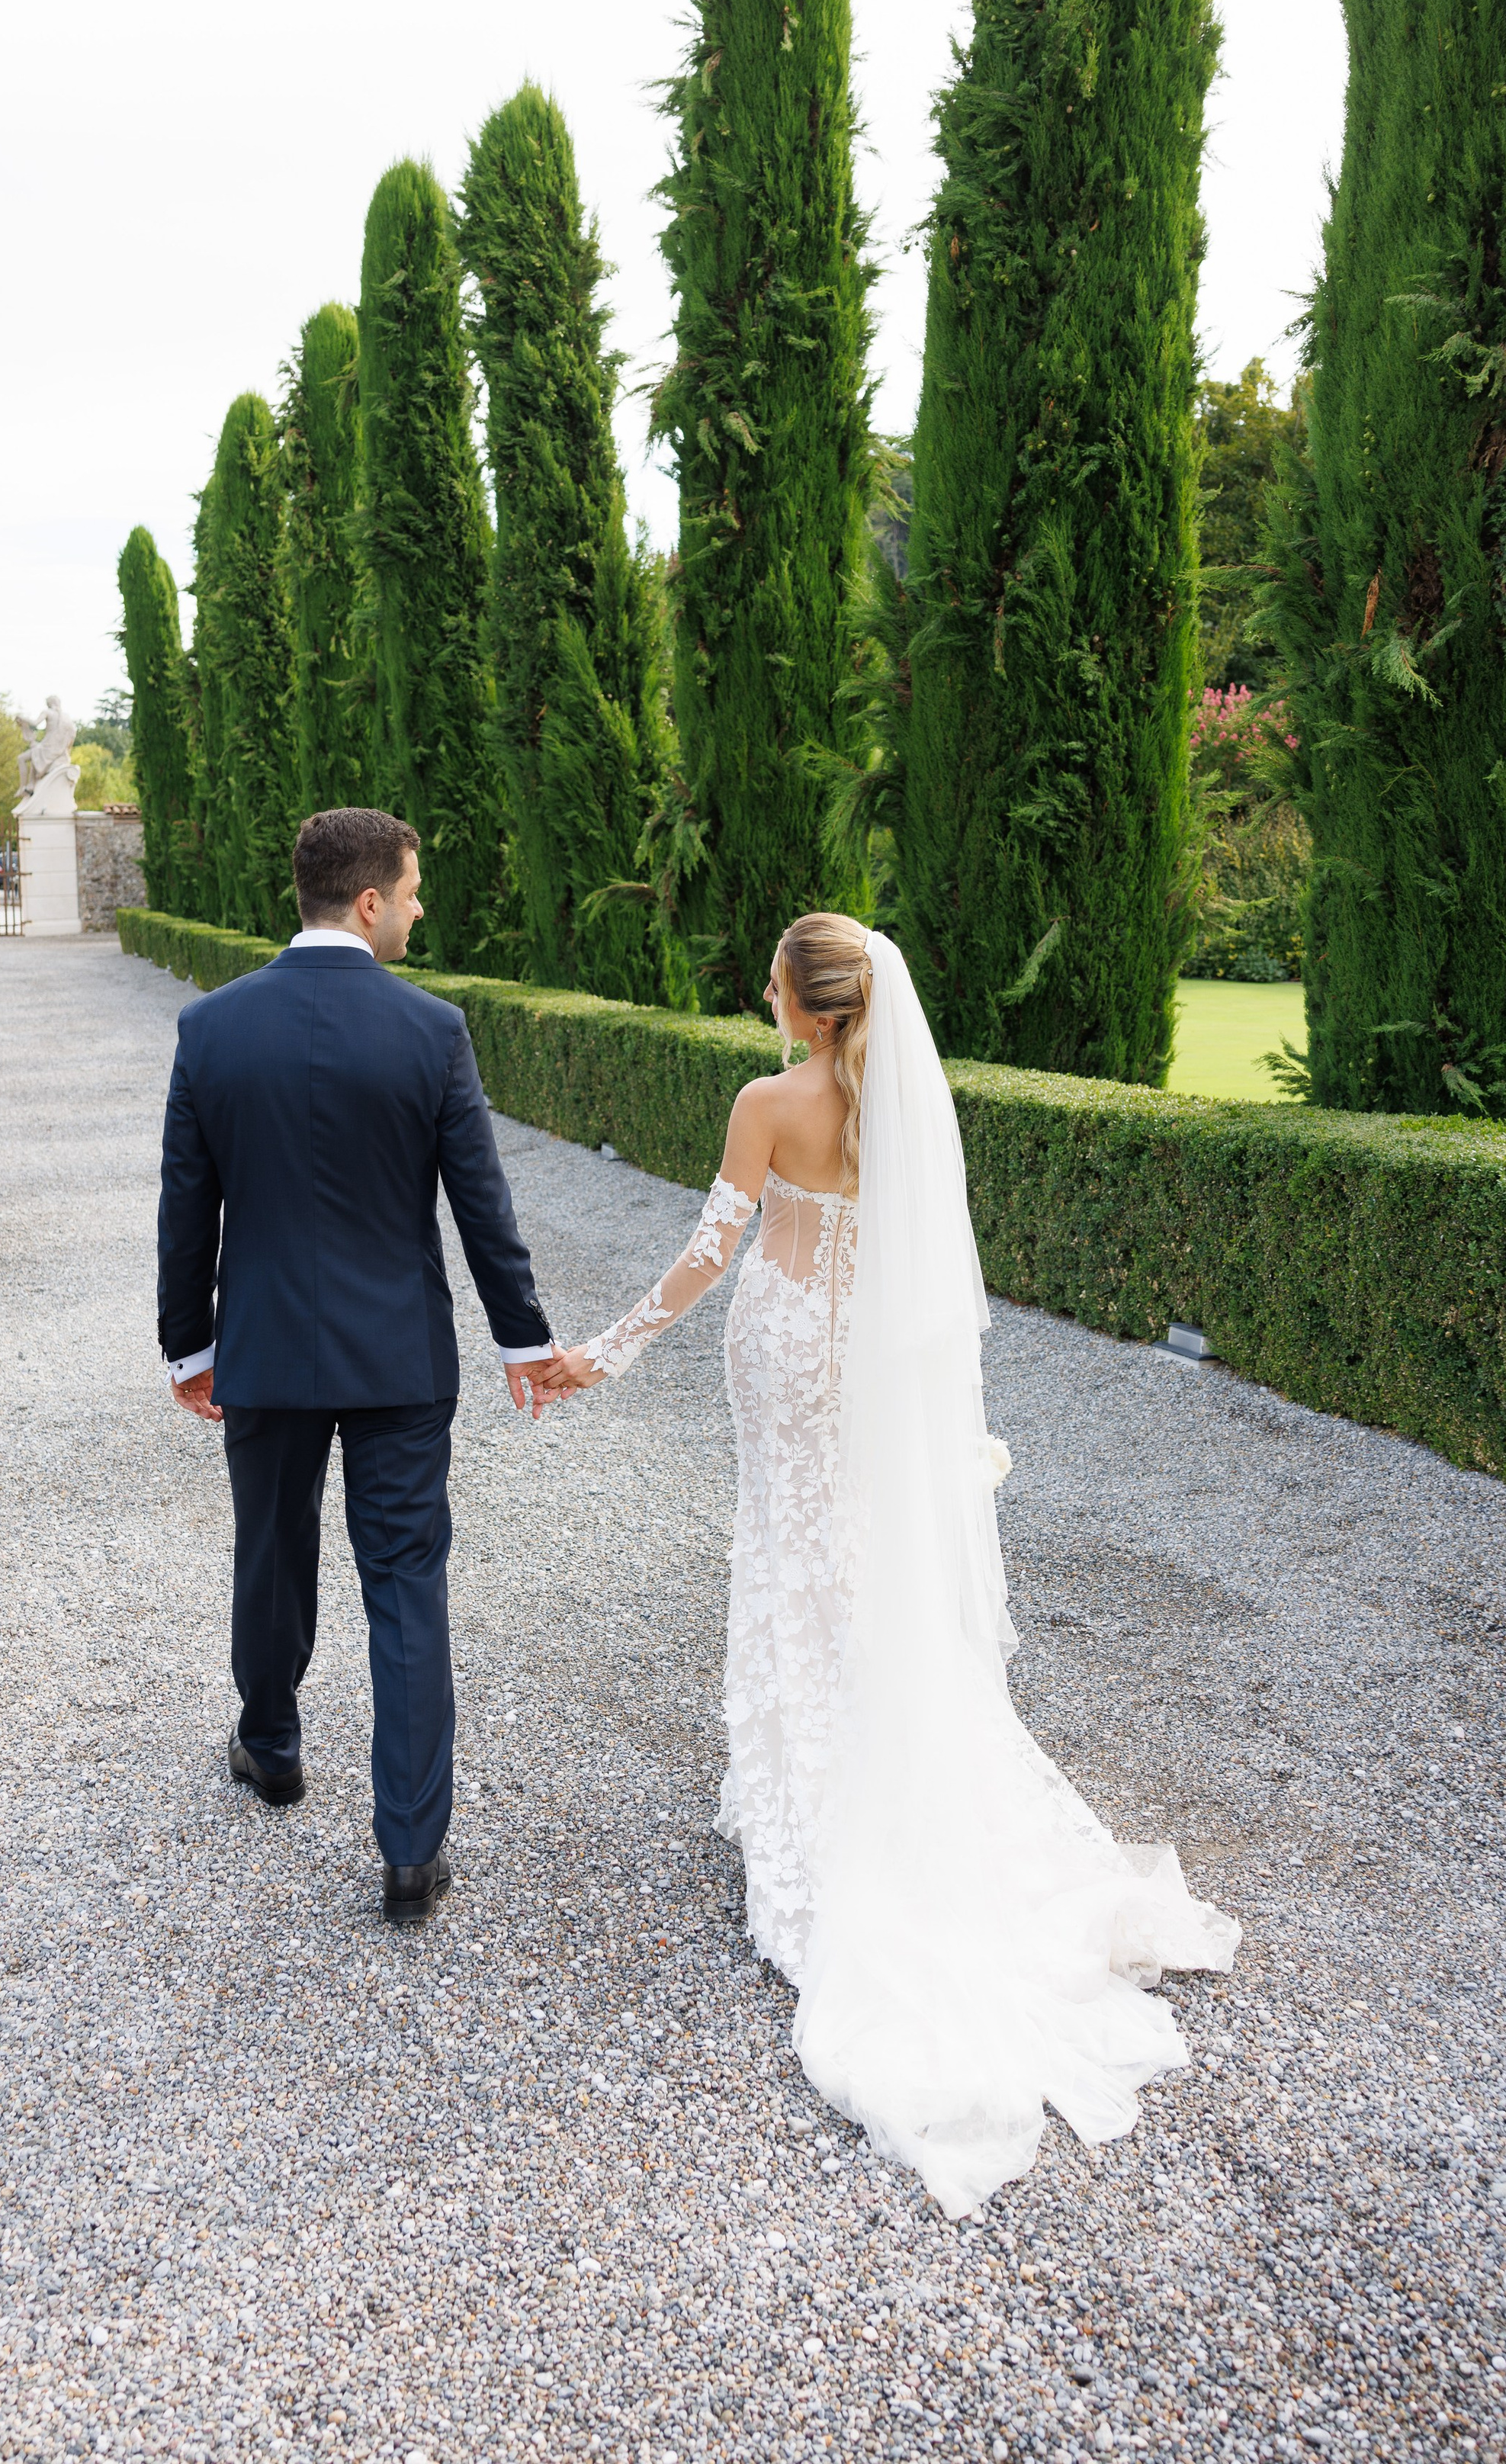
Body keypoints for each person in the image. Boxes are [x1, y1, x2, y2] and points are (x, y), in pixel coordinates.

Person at [535, 913, 1240, 2217]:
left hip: (781, 1346)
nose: (761, 992)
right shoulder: (896, 1104)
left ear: (809, 1005)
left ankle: (809, 1793)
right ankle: (869, 1753)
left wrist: (604, 1350)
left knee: (788, 1548)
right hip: (859, 1358)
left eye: (772, 979)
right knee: (851, 1554)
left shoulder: (768, 1102)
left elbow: (712, 1248)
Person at [158, 807, 558, 1923]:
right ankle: (411, 1852)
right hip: (399, 1359)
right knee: (405, 1582)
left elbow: (187, 1208)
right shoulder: (432, 1030)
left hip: (265, 1349)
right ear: (370, 901)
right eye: (413, 892)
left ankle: (273, 1747)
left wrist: (190, 1344)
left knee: (271, 1551)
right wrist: (522, 1338)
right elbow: (482, 1204)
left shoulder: (212, 1028)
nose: (420, 910)